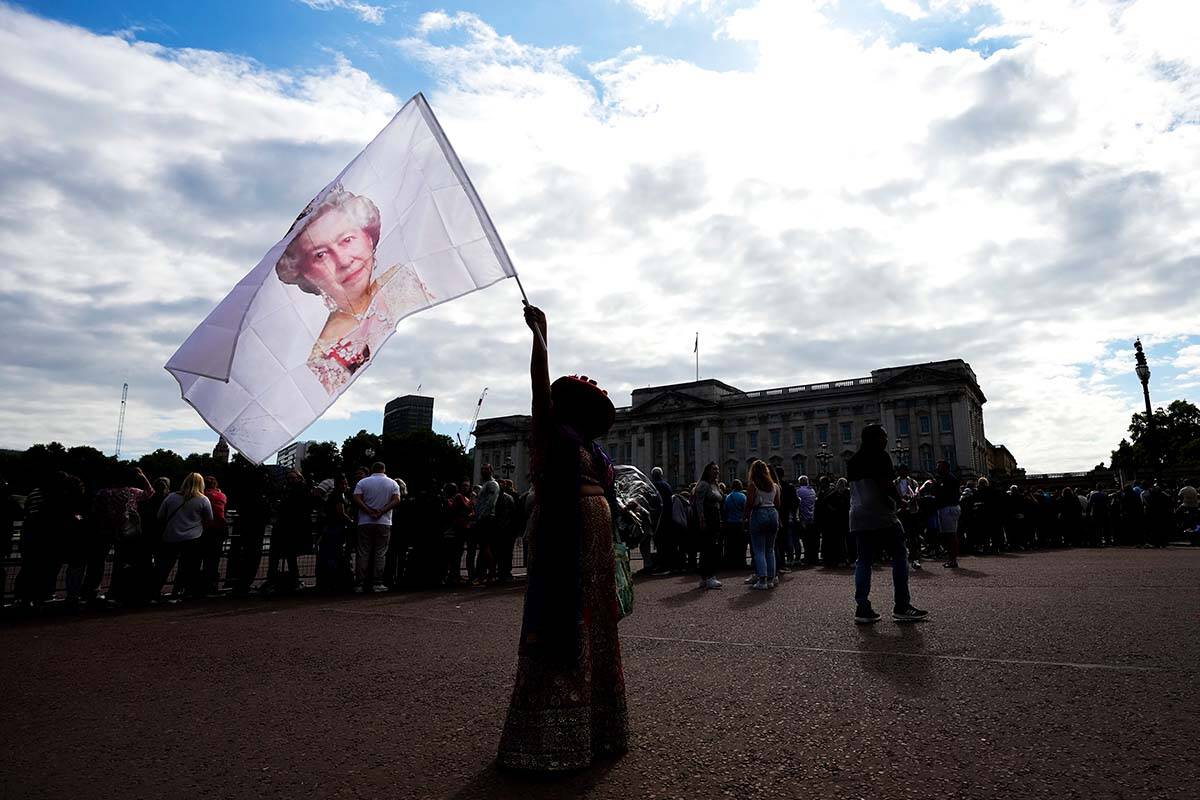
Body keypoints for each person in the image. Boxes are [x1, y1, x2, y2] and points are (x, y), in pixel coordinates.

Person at [497, 305, 628, 772]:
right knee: (564, 619)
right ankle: (552, 738)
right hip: (564, 536)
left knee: (593, 622)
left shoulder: (590, 446)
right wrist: (541, 338)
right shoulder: (553, 433)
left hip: (593, 541)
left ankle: (598, 728)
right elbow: (538, 387)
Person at [275, 186, 437, 395]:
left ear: (369, 238)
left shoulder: (403, 281)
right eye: (321, 255)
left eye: (347, 240)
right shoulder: (324, 359)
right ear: (305, 275)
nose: (343, 261)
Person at [848, 425, 927, 624]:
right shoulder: (880, 456)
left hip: (858, 515)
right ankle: (901, 605)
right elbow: (886, 485)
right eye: (883, 436)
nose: (886, 440)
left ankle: (862, 607)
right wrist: (901, 502)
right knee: (900, 556)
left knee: (863, 561)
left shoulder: (853, 460)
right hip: (881, 514)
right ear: (873, 439)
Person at [157, 473, 213, 602]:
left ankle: (154, 591)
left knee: (164, 566)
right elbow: (209, 519)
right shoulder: (203, 500)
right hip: (192, 538)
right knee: (186, 568)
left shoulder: (171, 497)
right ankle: (178, 592)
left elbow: (160, 516)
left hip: (170, 536)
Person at [352, 462, 402, 593]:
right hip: (384, 521)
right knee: (380, 553)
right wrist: (382, 511)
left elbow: (356, 498)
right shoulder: (392, 483)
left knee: (363, 552)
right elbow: (397, 499)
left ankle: (360, 583)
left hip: (365, 521)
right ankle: (377, 582)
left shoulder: (363, 483)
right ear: (384, 470)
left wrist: (368, 510)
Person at [742, 459, 780, 590]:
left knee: (759, 550)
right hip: (773, 513)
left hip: (759, 513)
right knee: (770, 549)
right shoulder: (774, 485)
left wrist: (745, 518)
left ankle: (762, 580)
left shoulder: (753, 485)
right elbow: (778, 503)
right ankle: (771, 579)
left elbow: (749, 503)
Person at [316, 474, 355, 592]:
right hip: (335, 527)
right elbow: (340, 512)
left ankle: (329, 581)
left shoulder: (336, 495)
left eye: (346, 484)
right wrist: (351, 521)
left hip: (332, 527)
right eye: (343, 484)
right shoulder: (338, 496)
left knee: (330, 554)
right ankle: (333, 581)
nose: (345, 486)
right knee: (334, 554)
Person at [693, 462, 724, 590]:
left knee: (710, 548)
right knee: (709, 548)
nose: (717, 471)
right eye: (714, 469)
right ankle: (709, 576)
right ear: (708, 471)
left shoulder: (714, 485)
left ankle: (706, 577)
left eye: (717, 469)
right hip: (708, 518)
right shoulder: (704, 485)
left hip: (715, 517)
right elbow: (699, 504)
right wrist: (702, 520)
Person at [197, 475, 228, 596]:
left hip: (201, 530)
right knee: (213, 560)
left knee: (197, 558)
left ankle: (193, 586)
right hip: (217, 530)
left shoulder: (199, 496)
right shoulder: (221, 496)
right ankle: (210, 585)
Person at [471, 464, 501, 585]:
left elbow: (490, 503)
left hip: (486, 519)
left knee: (485, 547)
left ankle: (491, 573)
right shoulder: (485, 484)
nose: (483, 471)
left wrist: (481, 516)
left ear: (491, 471)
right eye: (482, 469)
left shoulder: (492, 484)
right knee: (484, 548)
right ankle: (485, 574)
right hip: (482, 518)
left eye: (486, 469)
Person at [933, 461, 962, 568]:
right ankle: (951, 559)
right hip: (948, 507)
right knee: (948, 535)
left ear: (945, 468)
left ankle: (953, 560)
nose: (937, 469)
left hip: (949, 508)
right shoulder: (948, 478)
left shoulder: (949, 479)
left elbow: (942, 494)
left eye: (939, 467)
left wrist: (936, 486)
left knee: (951, 535)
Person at [722, 479, 748, 569]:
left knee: (732, 545)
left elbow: (725, 510)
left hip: (730, 523)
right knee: (741, 545)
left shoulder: (728, 497)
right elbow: (746, 510)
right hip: (740, 523)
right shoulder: (743, 496)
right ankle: (741, 563)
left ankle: (732, 563)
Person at [796, 475, 818, 566]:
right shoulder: (812, 491)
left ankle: (807, 557)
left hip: (804, 518)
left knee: (805, 540)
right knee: (812, 540)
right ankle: (813, 557)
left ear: (800, 482)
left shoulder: (799, 491)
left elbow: (798, 504)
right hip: (812, 518)